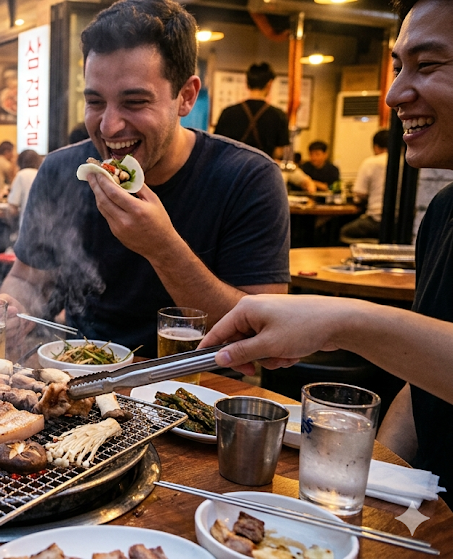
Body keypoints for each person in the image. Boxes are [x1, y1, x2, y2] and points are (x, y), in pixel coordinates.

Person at [202, 0, 453, 503]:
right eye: (398, 66)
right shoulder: (444, 213)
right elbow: (426, 386)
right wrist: (385, 487)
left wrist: (343, 320)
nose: (394, 93)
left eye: (427, 65)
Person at [0, 0, 290, 358]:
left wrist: (162, 247)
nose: (108, 126)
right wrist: (12, 308)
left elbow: (266, 337)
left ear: (186, 97)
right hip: (82, 373)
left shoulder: (248, 178)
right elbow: (29, 279)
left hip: (202, 388)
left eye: (134, 102)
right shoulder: (60, 170)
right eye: (95, 102)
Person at [213, 63, 290, 160]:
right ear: (269, 84)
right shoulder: (279, 115)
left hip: (232, 169)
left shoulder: (228, 112)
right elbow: (278, 152)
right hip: (262, 170)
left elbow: (217, 144)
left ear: (247, 83)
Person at [340, 129, 389, 241]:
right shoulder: (405, 162)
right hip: (399, 224)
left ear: (375, 146)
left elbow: (360, 193)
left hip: (376, 221)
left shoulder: (371, 162)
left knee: (345, 232)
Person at [7, 149, 42, 230]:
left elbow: (13, 207)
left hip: (28, 225)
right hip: (46, 225)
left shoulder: (22, 175)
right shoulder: (43, 172)